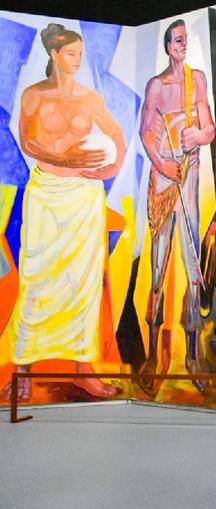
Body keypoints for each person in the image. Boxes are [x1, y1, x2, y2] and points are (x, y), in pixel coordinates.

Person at [1, 23, 124, 402]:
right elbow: (29, 141)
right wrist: (65, 158)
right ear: (54, 54)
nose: (77, 60)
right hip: (46, 195)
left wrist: (108, 167)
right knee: (38, 279)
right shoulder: (34, 95)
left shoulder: (90, 98)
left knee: (83, 284)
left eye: (80, 54)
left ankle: (84, 371)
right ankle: (22, 370)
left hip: (83, 198)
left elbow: (116, 137)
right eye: (71, 53)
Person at [138, 19, 216, 394]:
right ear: (168, 47)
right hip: (164, 179)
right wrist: (160, 164)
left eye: (186, 40)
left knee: (192, 265)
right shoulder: (156, 85)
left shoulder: (196, 80)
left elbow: (209, 128)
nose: (183, 45)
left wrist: (198, 135)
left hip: (190, 177)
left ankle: (193, 355)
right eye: (178, 40)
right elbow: (145, 132)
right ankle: (153, 354)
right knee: (157, 267)